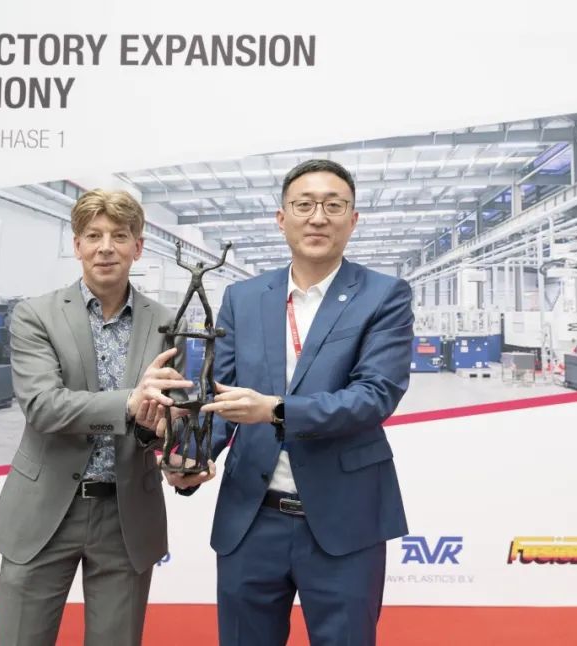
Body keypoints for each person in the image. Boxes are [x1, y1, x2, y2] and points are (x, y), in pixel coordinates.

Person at [171, 159, 415, 645]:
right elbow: (221, 395)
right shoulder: (243, 297)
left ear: (353, 219)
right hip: (251, 517)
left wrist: (276, 411)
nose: (318, 217)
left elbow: (375, 395)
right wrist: (189, 458)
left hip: (345, 519)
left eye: (333, 206)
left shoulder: (384, 295)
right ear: (282, 218)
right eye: (304, 205)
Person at [0, 189, 213, 646]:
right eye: (93, 236)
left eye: (119, 236)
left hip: (126, 515)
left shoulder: (167, 323)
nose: (105, 247)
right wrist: (129, 403)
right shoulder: (36, 316)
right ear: (77, 246)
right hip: (44, 510)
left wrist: (173, 452)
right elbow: (43, 406)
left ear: (138, 247)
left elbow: (164, 420)